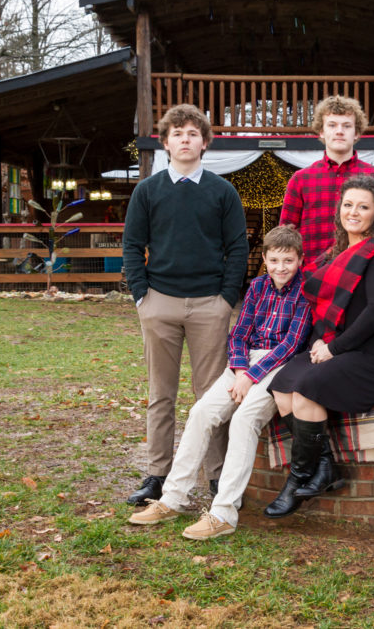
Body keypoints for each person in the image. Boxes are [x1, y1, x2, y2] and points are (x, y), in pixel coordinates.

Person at [128, 226, 311, 538]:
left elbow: (291, 344)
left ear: (300, 260)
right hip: (244, 364)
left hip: (279, 367)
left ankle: (224, 513)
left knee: (243, 420)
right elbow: (239, 333)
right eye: (276, 260)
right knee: (201, 413)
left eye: (289, 261)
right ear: (265, 258)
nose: (282, 267)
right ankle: (173, 498)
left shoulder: (305, 290)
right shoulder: (257, 287)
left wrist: (252, 378)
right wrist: (241, 371)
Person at [122, 103, 249, 506]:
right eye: (177, 133)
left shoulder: (221, 191)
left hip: (209, 304)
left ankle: (217, 478)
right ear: (166, 142)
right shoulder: (148, 191)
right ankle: (157, 474)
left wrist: (226, 298)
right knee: (161, 393)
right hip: (160, 302)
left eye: (193, 133)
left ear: (205, 142)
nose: (185, 139)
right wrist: (142, 295)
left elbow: (238, 248)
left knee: (211, 394)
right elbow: (131, 245)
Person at [264, 175, 374, 518]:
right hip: (332, 345)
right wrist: (319, 341)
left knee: (307, 389)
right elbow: (321, 308)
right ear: (339, 209)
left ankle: (296, 481)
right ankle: (325, 466)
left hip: (371, 355)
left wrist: (334, 348)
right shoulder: (334, 252)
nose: (354, 212)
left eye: (363, 207)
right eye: (348, 205)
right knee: (282, 386)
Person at [279, 95, 374, 265]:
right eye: (332, 125)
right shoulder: (301, 180)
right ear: (321, 131)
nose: (339, 131)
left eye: (347, 126)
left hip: (362, 273)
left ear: (356, 133)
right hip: (312, 275)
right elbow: (285, 236)